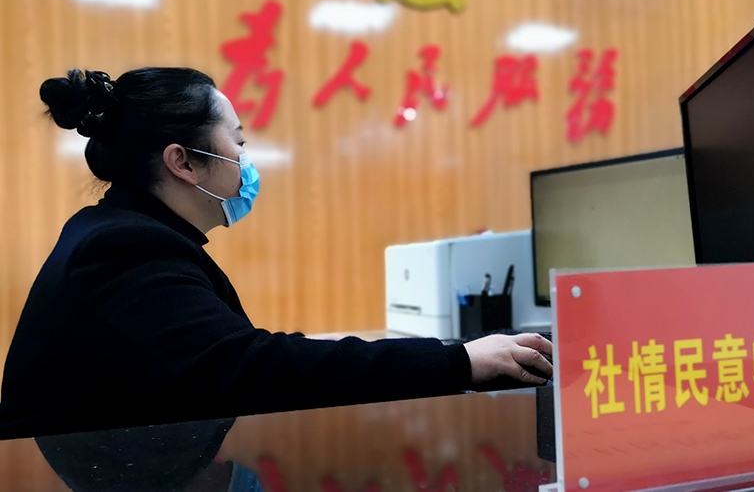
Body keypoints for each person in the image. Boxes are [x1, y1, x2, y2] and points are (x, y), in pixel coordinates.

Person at [0, 68, 552, 439]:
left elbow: (224, 354)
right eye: (238, 143)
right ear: (182, 161)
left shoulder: (122, 232)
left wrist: (328, 347)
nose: (246, 160)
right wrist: (460, 362)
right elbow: (249, 369)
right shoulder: (124, 249)